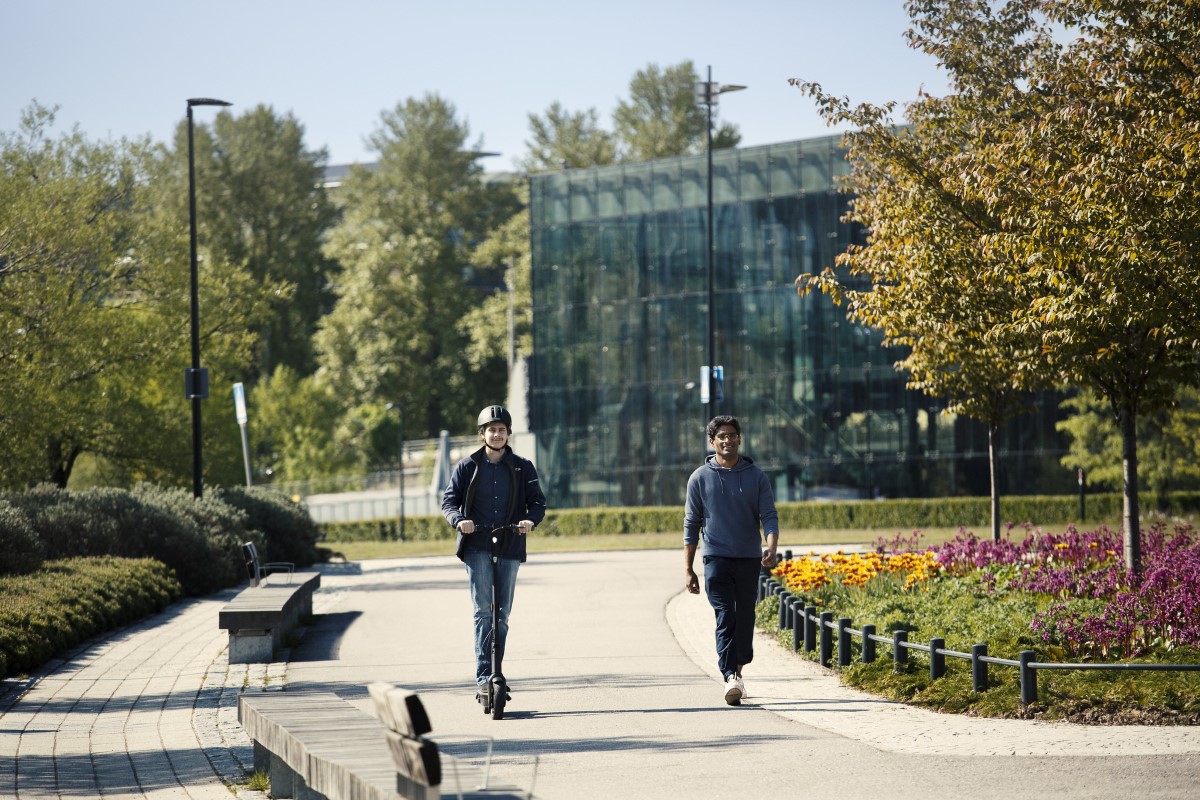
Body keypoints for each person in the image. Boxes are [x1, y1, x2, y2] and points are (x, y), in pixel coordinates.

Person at [442, 405, 546, 702]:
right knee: (482, 612)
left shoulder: (523, 467)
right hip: (477, 545)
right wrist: (459, 521)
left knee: (502, 614)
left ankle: (496, 672)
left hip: (510, 543)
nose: (497, 434)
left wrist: (530, 520)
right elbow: (449, 502)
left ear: (508, 434)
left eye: (501, 430)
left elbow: (537, 503)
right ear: (482, 434)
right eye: (491, 430)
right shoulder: (467, 466)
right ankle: (484, 678)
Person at [683, 414, 779, 706]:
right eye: (721, 437)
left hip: (749, 558)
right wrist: (688, 569)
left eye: (732, 435)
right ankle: (729, 675)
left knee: (745, 616)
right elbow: (691, 524)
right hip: (715, 558)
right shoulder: (699, 478)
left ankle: (738, 671)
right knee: (725, 614)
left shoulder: (756, 476)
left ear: (739, 439)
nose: (727, 440)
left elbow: (769, 516)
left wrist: (771, 547)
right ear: (712, 442)